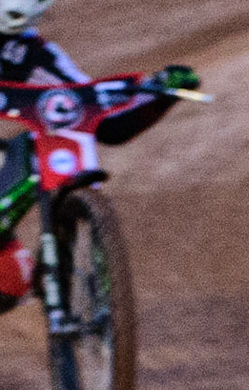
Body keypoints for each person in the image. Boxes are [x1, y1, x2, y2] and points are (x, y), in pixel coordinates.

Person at [0, 0, 198, 311]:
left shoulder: (30, 53)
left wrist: (157, 95)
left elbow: (96, 117)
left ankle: (59, 269)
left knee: (9, 285)